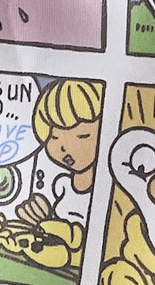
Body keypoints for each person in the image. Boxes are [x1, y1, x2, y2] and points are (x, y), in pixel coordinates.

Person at [17, 79, 103, 228]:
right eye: (55, 137)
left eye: (82, 136)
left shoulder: (105, 189)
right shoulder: (63, 184)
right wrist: (42, 217)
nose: (63, 147)